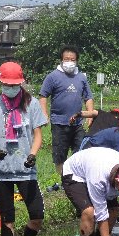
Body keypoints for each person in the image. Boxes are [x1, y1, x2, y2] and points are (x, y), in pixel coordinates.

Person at [0, 62, 47, 236]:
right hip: (2, 171)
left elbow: (37, 135)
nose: (10, 89)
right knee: (7, 219)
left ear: (21, 83)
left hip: (25, 169)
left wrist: (32, 154)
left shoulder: (32, 104)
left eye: (14, 85)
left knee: (37, 215)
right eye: (7, 85)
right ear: (1, 83)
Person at [62, 148, 119, 236]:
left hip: (98, 171)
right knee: (89, 212)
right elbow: (101, 214)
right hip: (75, 174)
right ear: (117, 180)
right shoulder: (98, 177)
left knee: (113, 211)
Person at [39, 45, 95, 177]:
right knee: (60, 153)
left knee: (81, 151)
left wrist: (90, 114)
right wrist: (44, 113)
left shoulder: (81, 77)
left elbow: (88, 97)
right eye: (66, 59)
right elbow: (43, 96)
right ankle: (63, 179)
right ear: (61, 60)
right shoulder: (52, 76)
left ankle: (78, 178)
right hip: (59, 122)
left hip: (78, 123)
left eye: (72, 59)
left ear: (76, 61)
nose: (69, 62)